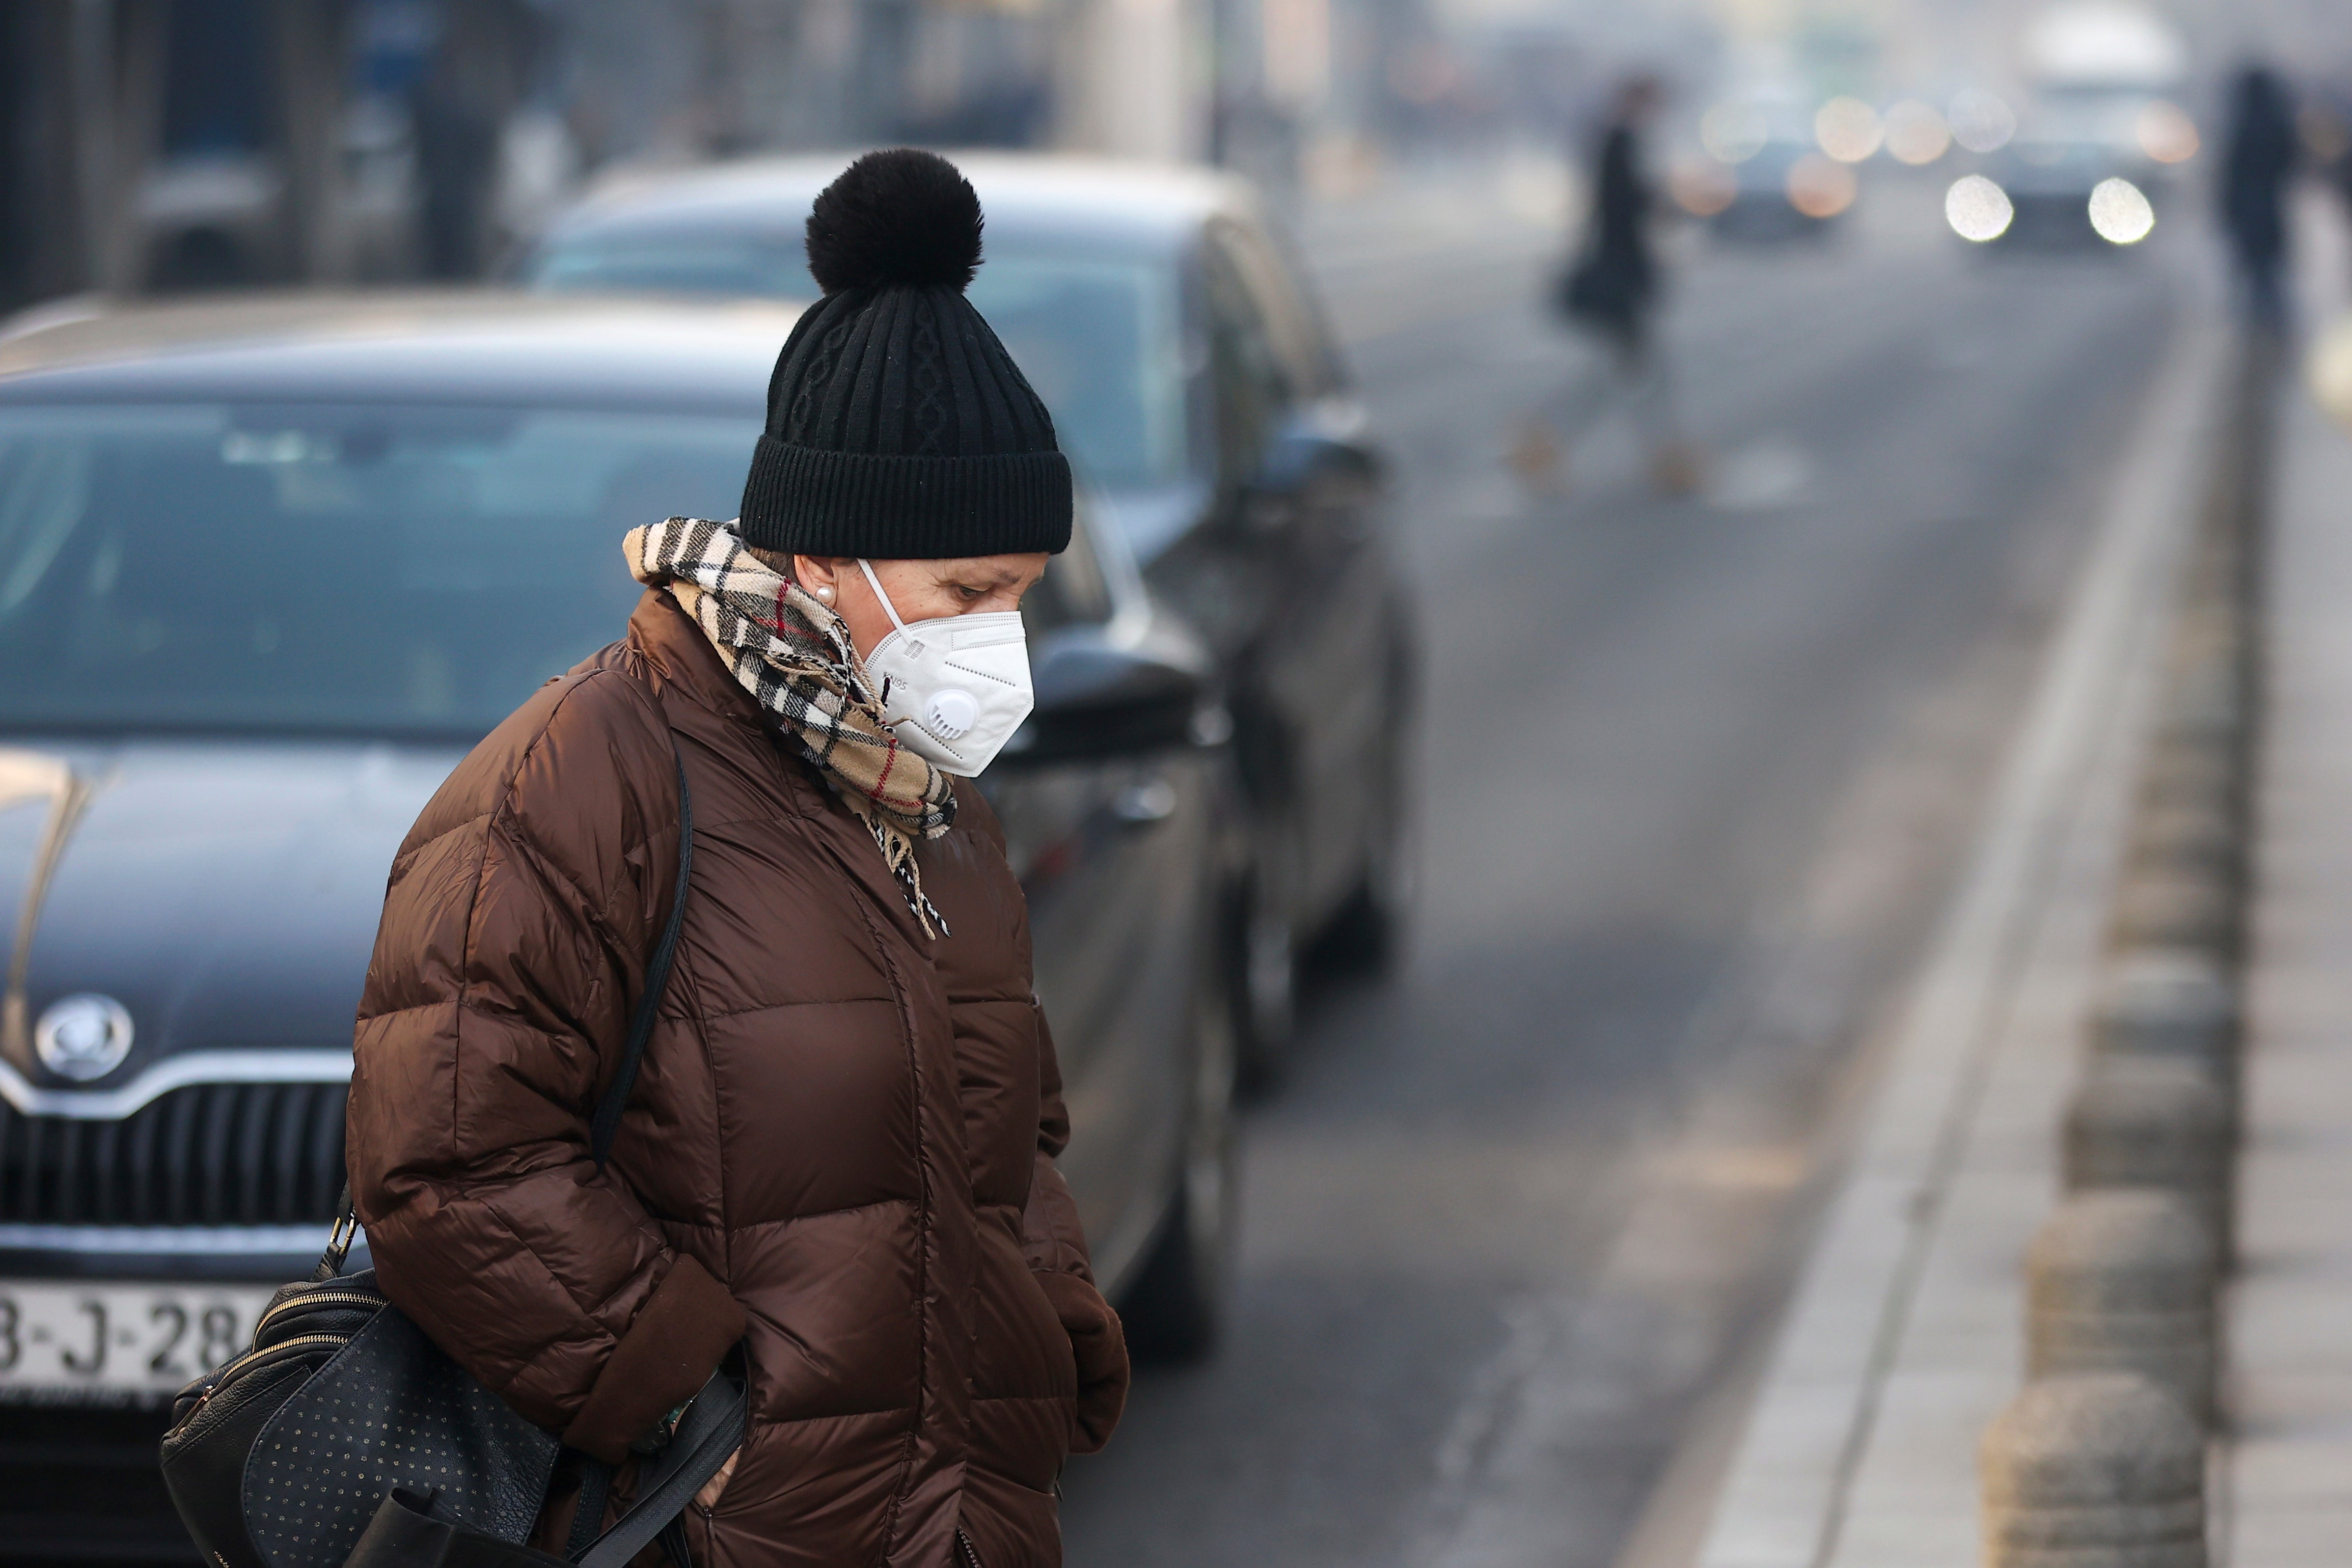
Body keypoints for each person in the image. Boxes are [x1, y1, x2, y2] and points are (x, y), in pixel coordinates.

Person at [346, 149, 1130, 1568]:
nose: (995, 640)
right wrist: (682, 1406)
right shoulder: (587, 772)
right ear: (824, 560)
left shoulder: (929, 794)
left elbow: (1011, 1133)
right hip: (708, 1529)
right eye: (966, 592)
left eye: (1018, 597)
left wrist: (1048, 1317)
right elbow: (448, 1158)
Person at [1511, 74, 1700, 499]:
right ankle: (1663, 455)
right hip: (1619, 278)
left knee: (1629, 372)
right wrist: (1661, 204)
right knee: (1637, 373)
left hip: (1619, 275)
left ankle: (1545, 440)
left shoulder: (1612, 140)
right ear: (1636, 100)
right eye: (1651, 103)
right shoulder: (1620, 141)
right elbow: (1622, 208)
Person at [2220, 65, 2299, 333]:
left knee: (2256, 272)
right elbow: (2290, 162)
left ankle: (2262, 324)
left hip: (2247, 209)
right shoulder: (2278, 122)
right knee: (2269, 271)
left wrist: (2227, 210)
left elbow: (2231, 173)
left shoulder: (2241, 126)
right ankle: (2273, 321)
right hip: (2271, 207)